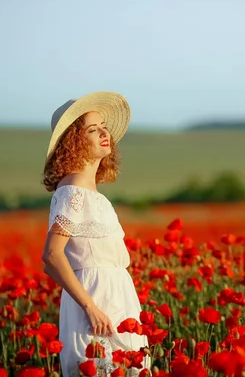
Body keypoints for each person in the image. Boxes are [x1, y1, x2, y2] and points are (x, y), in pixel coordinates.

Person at [40, 92, 149, 377]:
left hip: (116, 297)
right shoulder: (73, 190)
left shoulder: (89, 190)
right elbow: (51, 256)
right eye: (92, 129)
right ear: (74, 141)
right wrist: (90, 307)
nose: (104, 133)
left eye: (104, 126)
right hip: (94, 301)